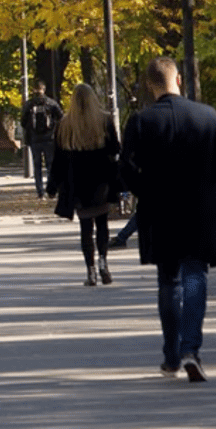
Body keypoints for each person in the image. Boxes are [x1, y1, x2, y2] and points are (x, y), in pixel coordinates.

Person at [119, 57, 216, 382]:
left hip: (161, 211)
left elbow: (126, 168)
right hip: (201, 210)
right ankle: (191, 349)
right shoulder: (207, 116)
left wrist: (146, 190)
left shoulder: (141, 121)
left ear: (150, 85)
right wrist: (211, 182)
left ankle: (171, 357)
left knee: (168, 281)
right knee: (195, 276)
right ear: (179, 80)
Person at [46, 84, 122, 287]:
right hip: (101, 181)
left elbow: (59, 160)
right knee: (102, 223)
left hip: (77, 183)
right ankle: (104, 263)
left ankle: (90, 271)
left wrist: (52, 185)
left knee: (86, 227)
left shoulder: (65, 125)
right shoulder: (104, 120)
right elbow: (115, 149)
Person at [20, 80, 63, 199]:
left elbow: (23, 122)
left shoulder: (29, 104)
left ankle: (40, 192)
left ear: (34, 89)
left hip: (35, 140)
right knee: (50, 165)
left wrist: (30, 129)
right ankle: (51, 191)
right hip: (49, 138)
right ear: (44, 89)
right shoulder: (51, 103)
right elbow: (61, 117)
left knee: (37, 166)